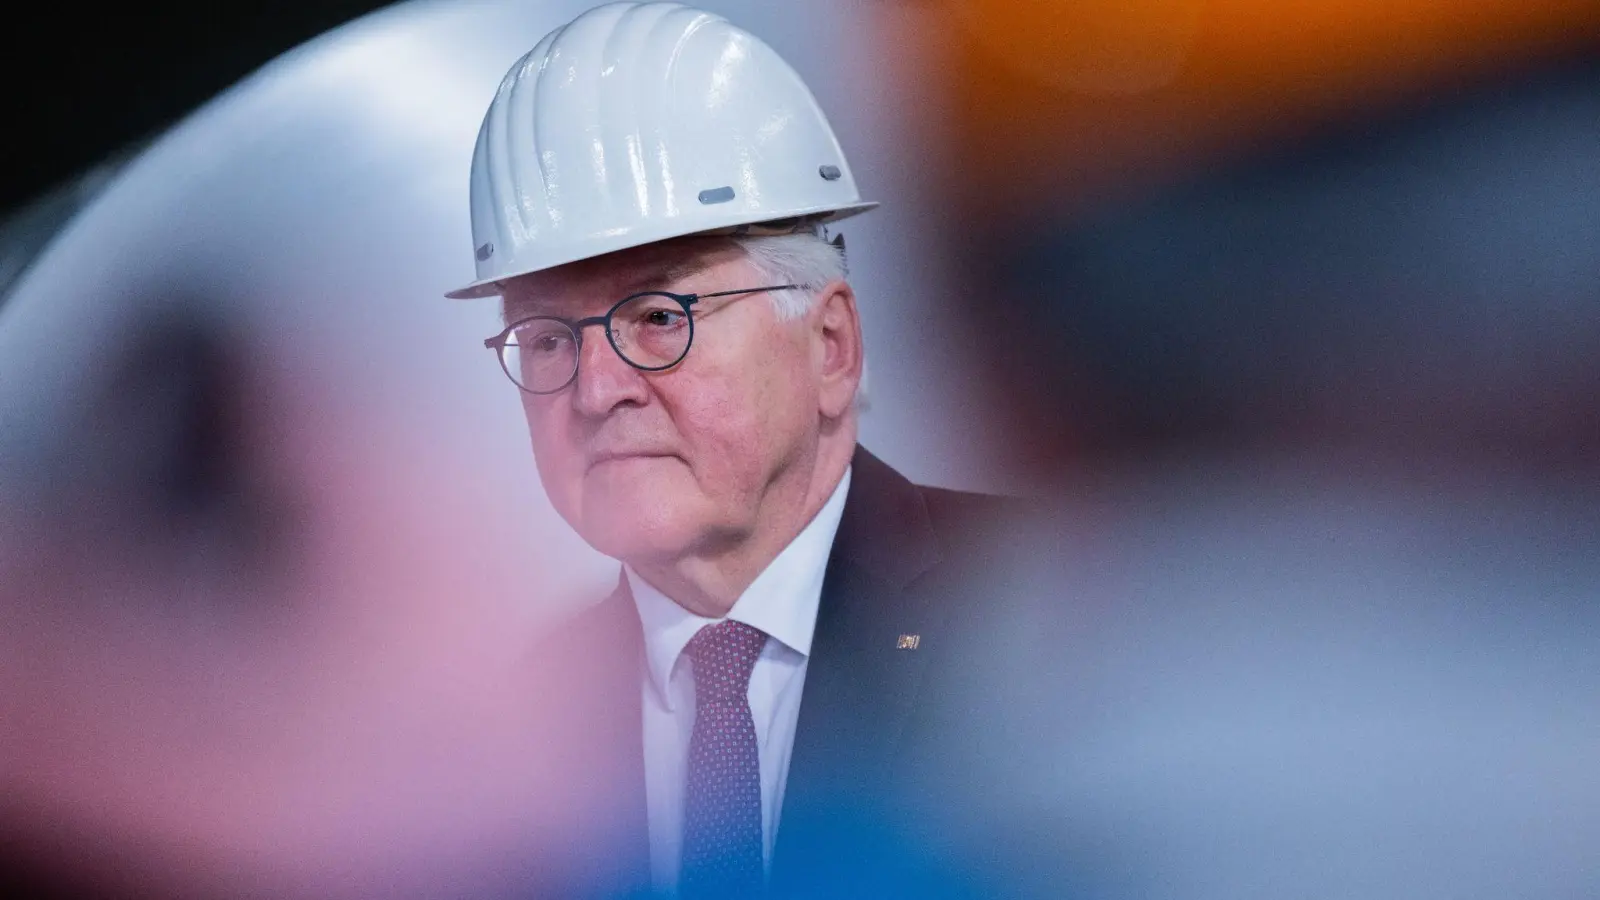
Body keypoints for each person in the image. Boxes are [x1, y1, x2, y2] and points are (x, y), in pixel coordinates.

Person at [446, 3, 1035, 897]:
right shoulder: (507, 734)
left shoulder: (1044, 609)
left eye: (657, 318)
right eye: (546, 339)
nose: (596, 390)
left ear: (830, 344)